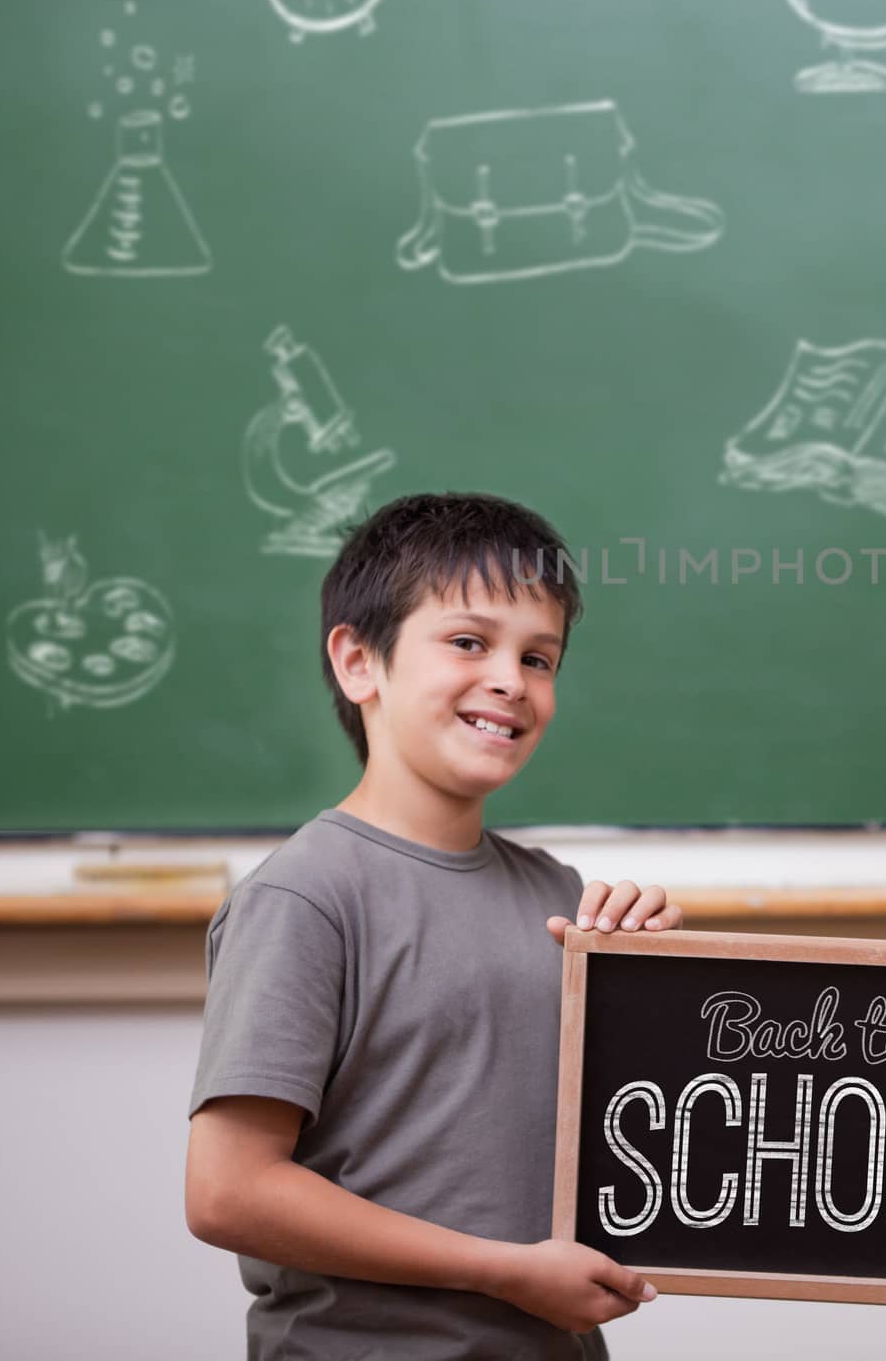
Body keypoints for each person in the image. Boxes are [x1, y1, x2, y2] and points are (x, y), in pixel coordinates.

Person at [186, 492, 682, 1359]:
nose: (509, 680)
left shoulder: (562, 899)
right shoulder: (306, 896)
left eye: (540, 658)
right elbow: (231, 1193)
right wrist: (501, 1270)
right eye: (467, 642)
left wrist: (661, 986)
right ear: (358, 662)